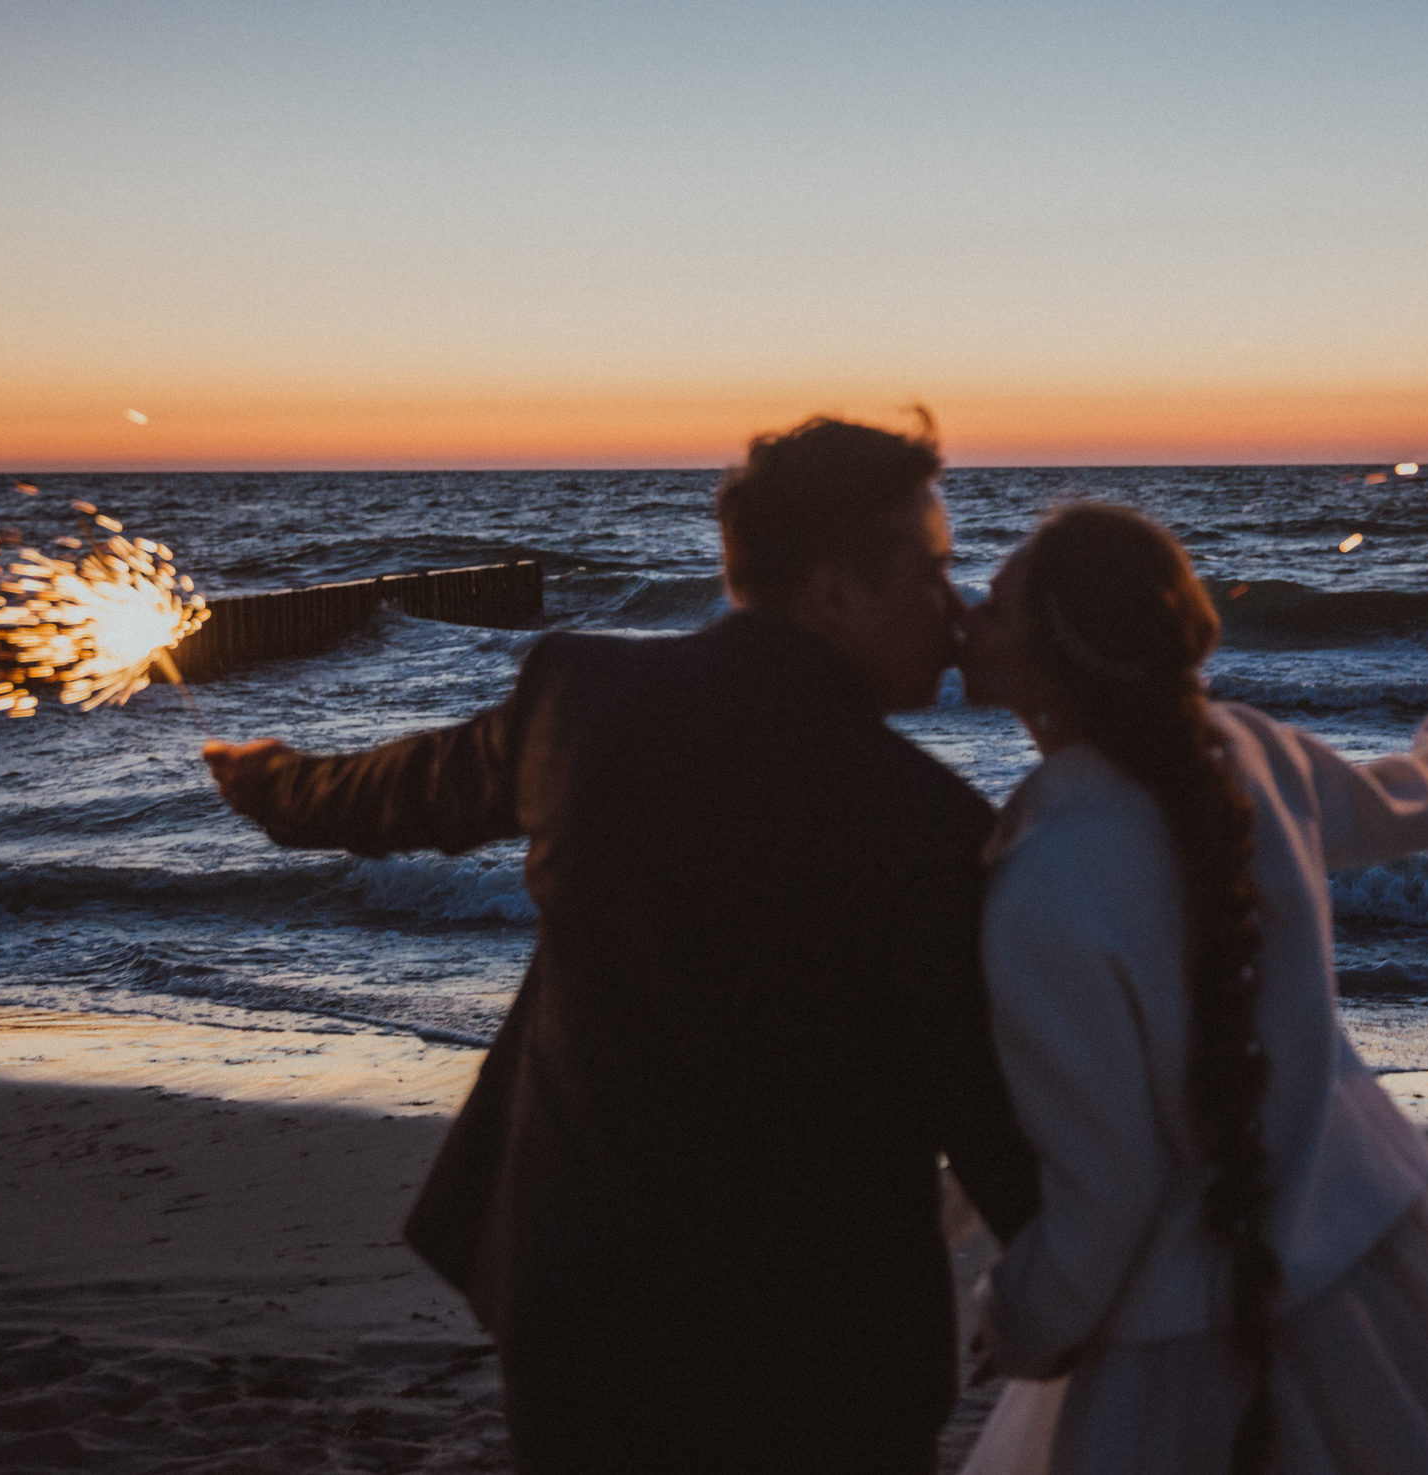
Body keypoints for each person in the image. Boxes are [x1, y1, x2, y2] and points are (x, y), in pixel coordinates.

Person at [203, 414, 1039, 1475]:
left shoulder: (582, 699)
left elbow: (404, 790)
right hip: (818, 1361)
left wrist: (272, 781)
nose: (954, 610)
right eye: (932, 574)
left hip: (578, 1314)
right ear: (835, 590)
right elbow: (986, 1113)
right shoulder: (929, 823)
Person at [954, 503, 1428, 1475]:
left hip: (1172, 1344)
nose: (964, 616)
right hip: (1365, 1277)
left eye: (994, 604)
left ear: (1052, 664)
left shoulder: (1042, 883)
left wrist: (1020, 1319)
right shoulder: (1250, 754)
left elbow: (1108, 1191)